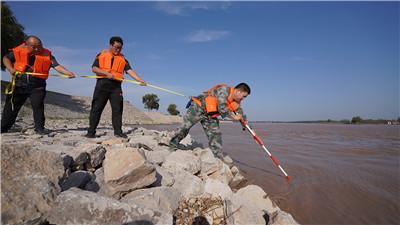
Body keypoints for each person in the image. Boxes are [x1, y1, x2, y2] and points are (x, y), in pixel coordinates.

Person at [1, 35, 76, 134]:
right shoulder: (18, 51)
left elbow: (57, 66)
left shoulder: (47, 54)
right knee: (11, 106)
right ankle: (3, 127)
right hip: (19, 84)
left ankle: (40, 128)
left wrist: (68, 73)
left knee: (38, 106)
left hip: (37, 86)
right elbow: (6, 58)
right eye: (34, 47)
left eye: (39, 46)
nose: (37, 49)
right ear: (26, 45)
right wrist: (11, 69)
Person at [169, 83, 250, 159]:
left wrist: (246, 125)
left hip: (210, 114)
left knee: (215, 134)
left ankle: (217, 157)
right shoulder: (224, 90)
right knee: (185, 127)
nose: (243, 99)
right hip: (198, 108)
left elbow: (240, 114)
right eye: (243, 96)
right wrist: (233, 117)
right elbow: (221, 107)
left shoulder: (236, 102)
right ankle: (172, 145)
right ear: (238, 91)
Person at [85, 36, 146, 138]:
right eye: (116, 47)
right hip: (102, 85)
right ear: (110, 45)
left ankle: (118, 132)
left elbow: (130, 71)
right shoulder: (101, 55)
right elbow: (94, 68)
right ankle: (91, 132)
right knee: (96, 109)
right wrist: (106, 73)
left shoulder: (123, 60)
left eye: (120, 48)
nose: (118, 50)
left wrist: (140, 80)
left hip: (116, 87)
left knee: (117, 109)